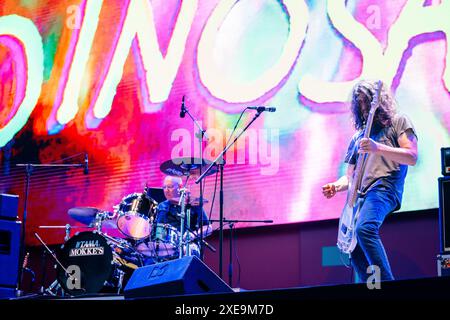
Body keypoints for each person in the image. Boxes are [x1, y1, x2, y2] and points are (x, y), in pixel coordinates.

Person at [322, 80, 418, 282]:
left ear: (378, 101)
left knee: (365, 229)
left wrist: (377, 148)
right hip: (361, 195)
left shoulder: (398, 122)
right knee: (354, 249)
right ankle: (373, 289)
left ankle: (388, 284)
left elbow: (411, 156)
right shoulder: (358, 138)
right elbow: (350, 176)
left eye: (366, 102)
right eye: (360, 104)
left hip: (385, 187)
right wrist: (336, 186)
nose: (365, 108)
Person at [137, 175, 212, 264]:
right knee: (145, 257)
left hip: (187, 244)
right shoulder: (161, 206)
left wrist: (192, 235)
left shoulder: (192, 204)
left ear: (180, 187)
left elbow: (208, 228)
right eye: (164, 187)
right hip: (162, 246)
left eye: (170, 187)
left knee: (186, 252)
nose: (166, 190)